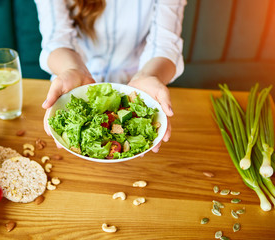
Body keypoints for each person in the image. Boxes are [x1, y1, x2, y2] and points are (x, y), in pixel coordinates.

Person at [35, 0, 186, 153]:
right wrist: (72, 69)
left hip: (139, 82)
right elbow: (56, 38)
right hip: (75, 83)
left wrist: (150, 75)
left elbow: (165, 44)